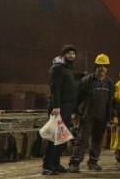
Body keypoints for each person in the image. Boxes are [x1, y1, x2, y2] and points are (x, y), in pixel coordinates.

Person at [69, 54, 114, 172]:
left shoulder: (109, 83)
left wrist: (112, 115)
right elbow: (77, 98)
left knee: (97, 140)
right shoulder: (86, 81)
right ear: (95, 67)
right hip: (87, 115)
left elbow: (111, 100)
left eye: (105, 66)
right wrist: (74, 113)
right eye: (100, 66)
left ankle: (93, 162)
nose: (102, 68)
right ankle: (74, 163)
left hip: (102, 116)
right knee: (82, 139)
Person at [43, 44, 78, 175]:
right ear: (63, 55)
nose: (71, 56)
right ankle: (47, 166)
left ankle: (56, 164)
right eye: (69, 53)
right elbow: (55, 89)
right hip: (59, 107)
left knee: (61, 138)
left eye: (73, 54)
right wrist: (56, 106)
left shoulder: (67, 68)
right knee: (53, 137)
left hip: (67, 107)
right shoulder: (56, 68)